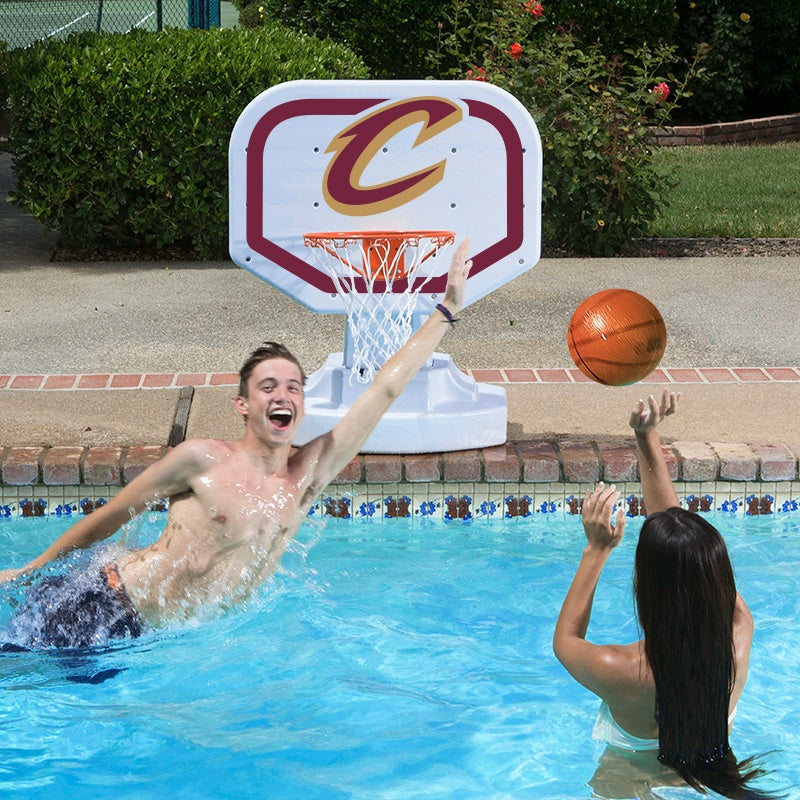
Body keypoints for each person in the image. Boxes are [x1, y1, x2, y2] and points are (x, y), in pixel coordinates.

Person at [0, 240, 472, 650]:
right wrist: (30, 570)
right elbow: (113, 515)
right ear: (242, 405)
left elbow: (384, 390)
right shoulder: (201, 459)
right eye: (268, 387)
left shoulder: (306, 477)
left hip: (145, 636)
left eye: (293, 387)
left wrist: (445, 311)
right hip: (102, 601)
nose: (282, 395)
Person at [553, 389, 776, 799]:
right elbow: (682, 548)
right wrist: (648, 438)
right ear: (719, 580)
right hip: (712, 769)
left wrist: (597, 550)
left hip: (626, 776)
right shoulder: (740, 633)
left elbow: (565, 641)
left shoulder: (621, 669)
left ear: (648, 591)